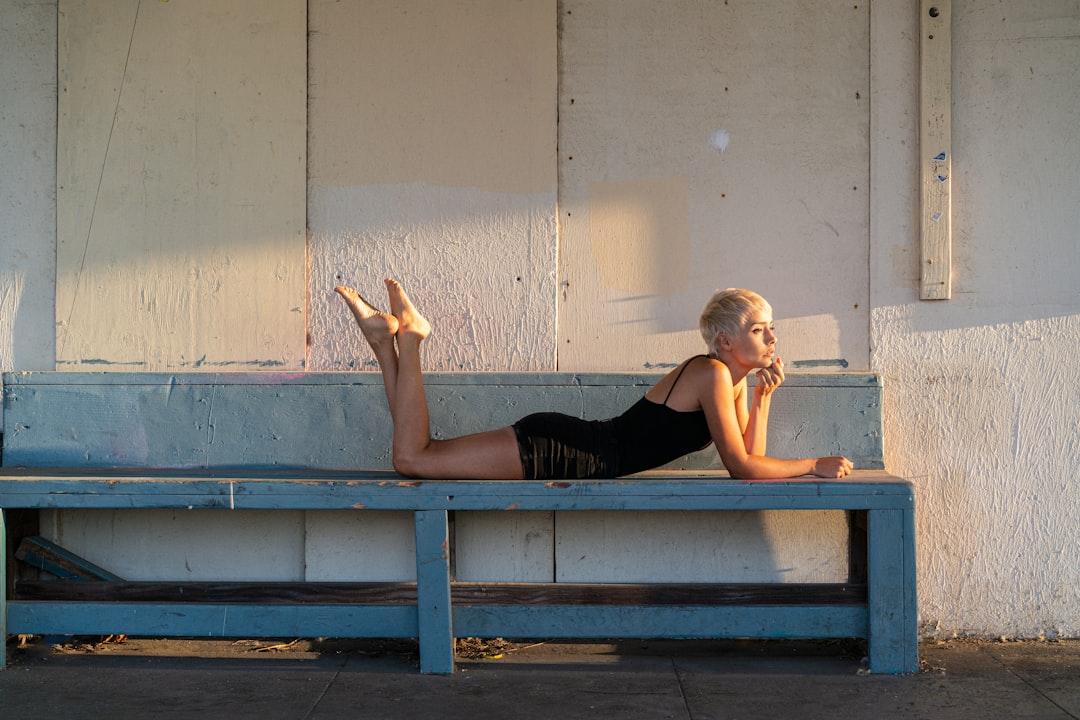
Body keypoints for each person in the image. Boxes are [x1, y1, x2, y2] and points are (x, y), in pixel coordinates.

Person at [335, 279, 853, 481]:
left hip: (578, 447)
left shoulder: (730, 382)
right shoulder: (710, 373)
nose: (771, 339)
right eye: (759, 330)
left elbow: (749, 459)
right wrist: (811, 464)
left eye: (770, 329)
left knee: (420, 454)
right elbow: (742, 468)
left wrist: (763, 397)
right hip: (567, 450)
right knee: (413, 459)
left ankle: (386, 342)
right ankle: (411, 340)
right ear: (724, 341)